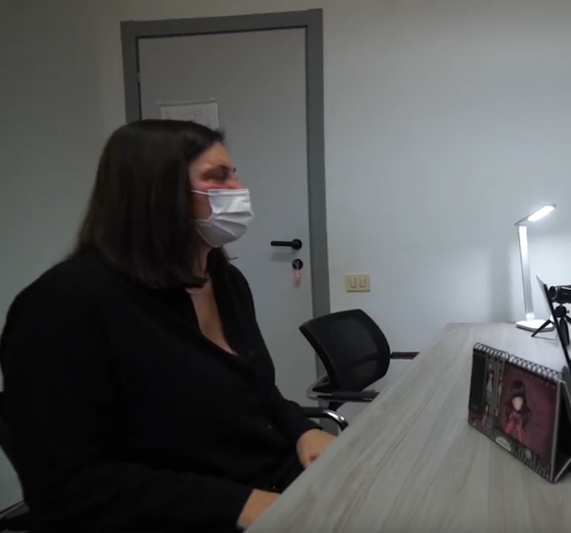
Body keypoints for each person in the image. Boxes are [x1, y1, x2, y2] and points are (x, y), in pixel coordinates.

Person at [0, 120, 337, 532]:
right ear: (158, 191)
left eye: (234, 174)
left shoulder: (225, 281)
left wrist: (303, 431)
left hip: (271, 486)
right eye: (218, 177)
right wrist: (241, 504)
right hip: (186, 514)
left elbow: (257, 390)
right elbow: (64, 483)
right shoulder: (65, 303)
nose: (239, 189)